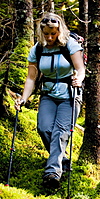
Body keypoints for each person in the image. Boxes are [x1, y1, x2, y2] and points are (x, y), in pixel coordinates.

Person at [14, 12, 85, 189]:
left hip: (69, 95)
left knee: (60, 132)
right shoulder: (37, 49)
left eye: (53, 33)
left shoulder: (70, 44)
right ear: (41, 32)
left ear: (60, 31)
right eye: (46, 33)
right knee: (44, 129)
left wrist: (79, 78)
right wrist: (24, 98)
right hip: (48, 94)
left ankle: (53, 172)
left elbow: (80, 69)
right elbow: (31, 78)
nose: (50, 37)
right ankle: (62, 159)